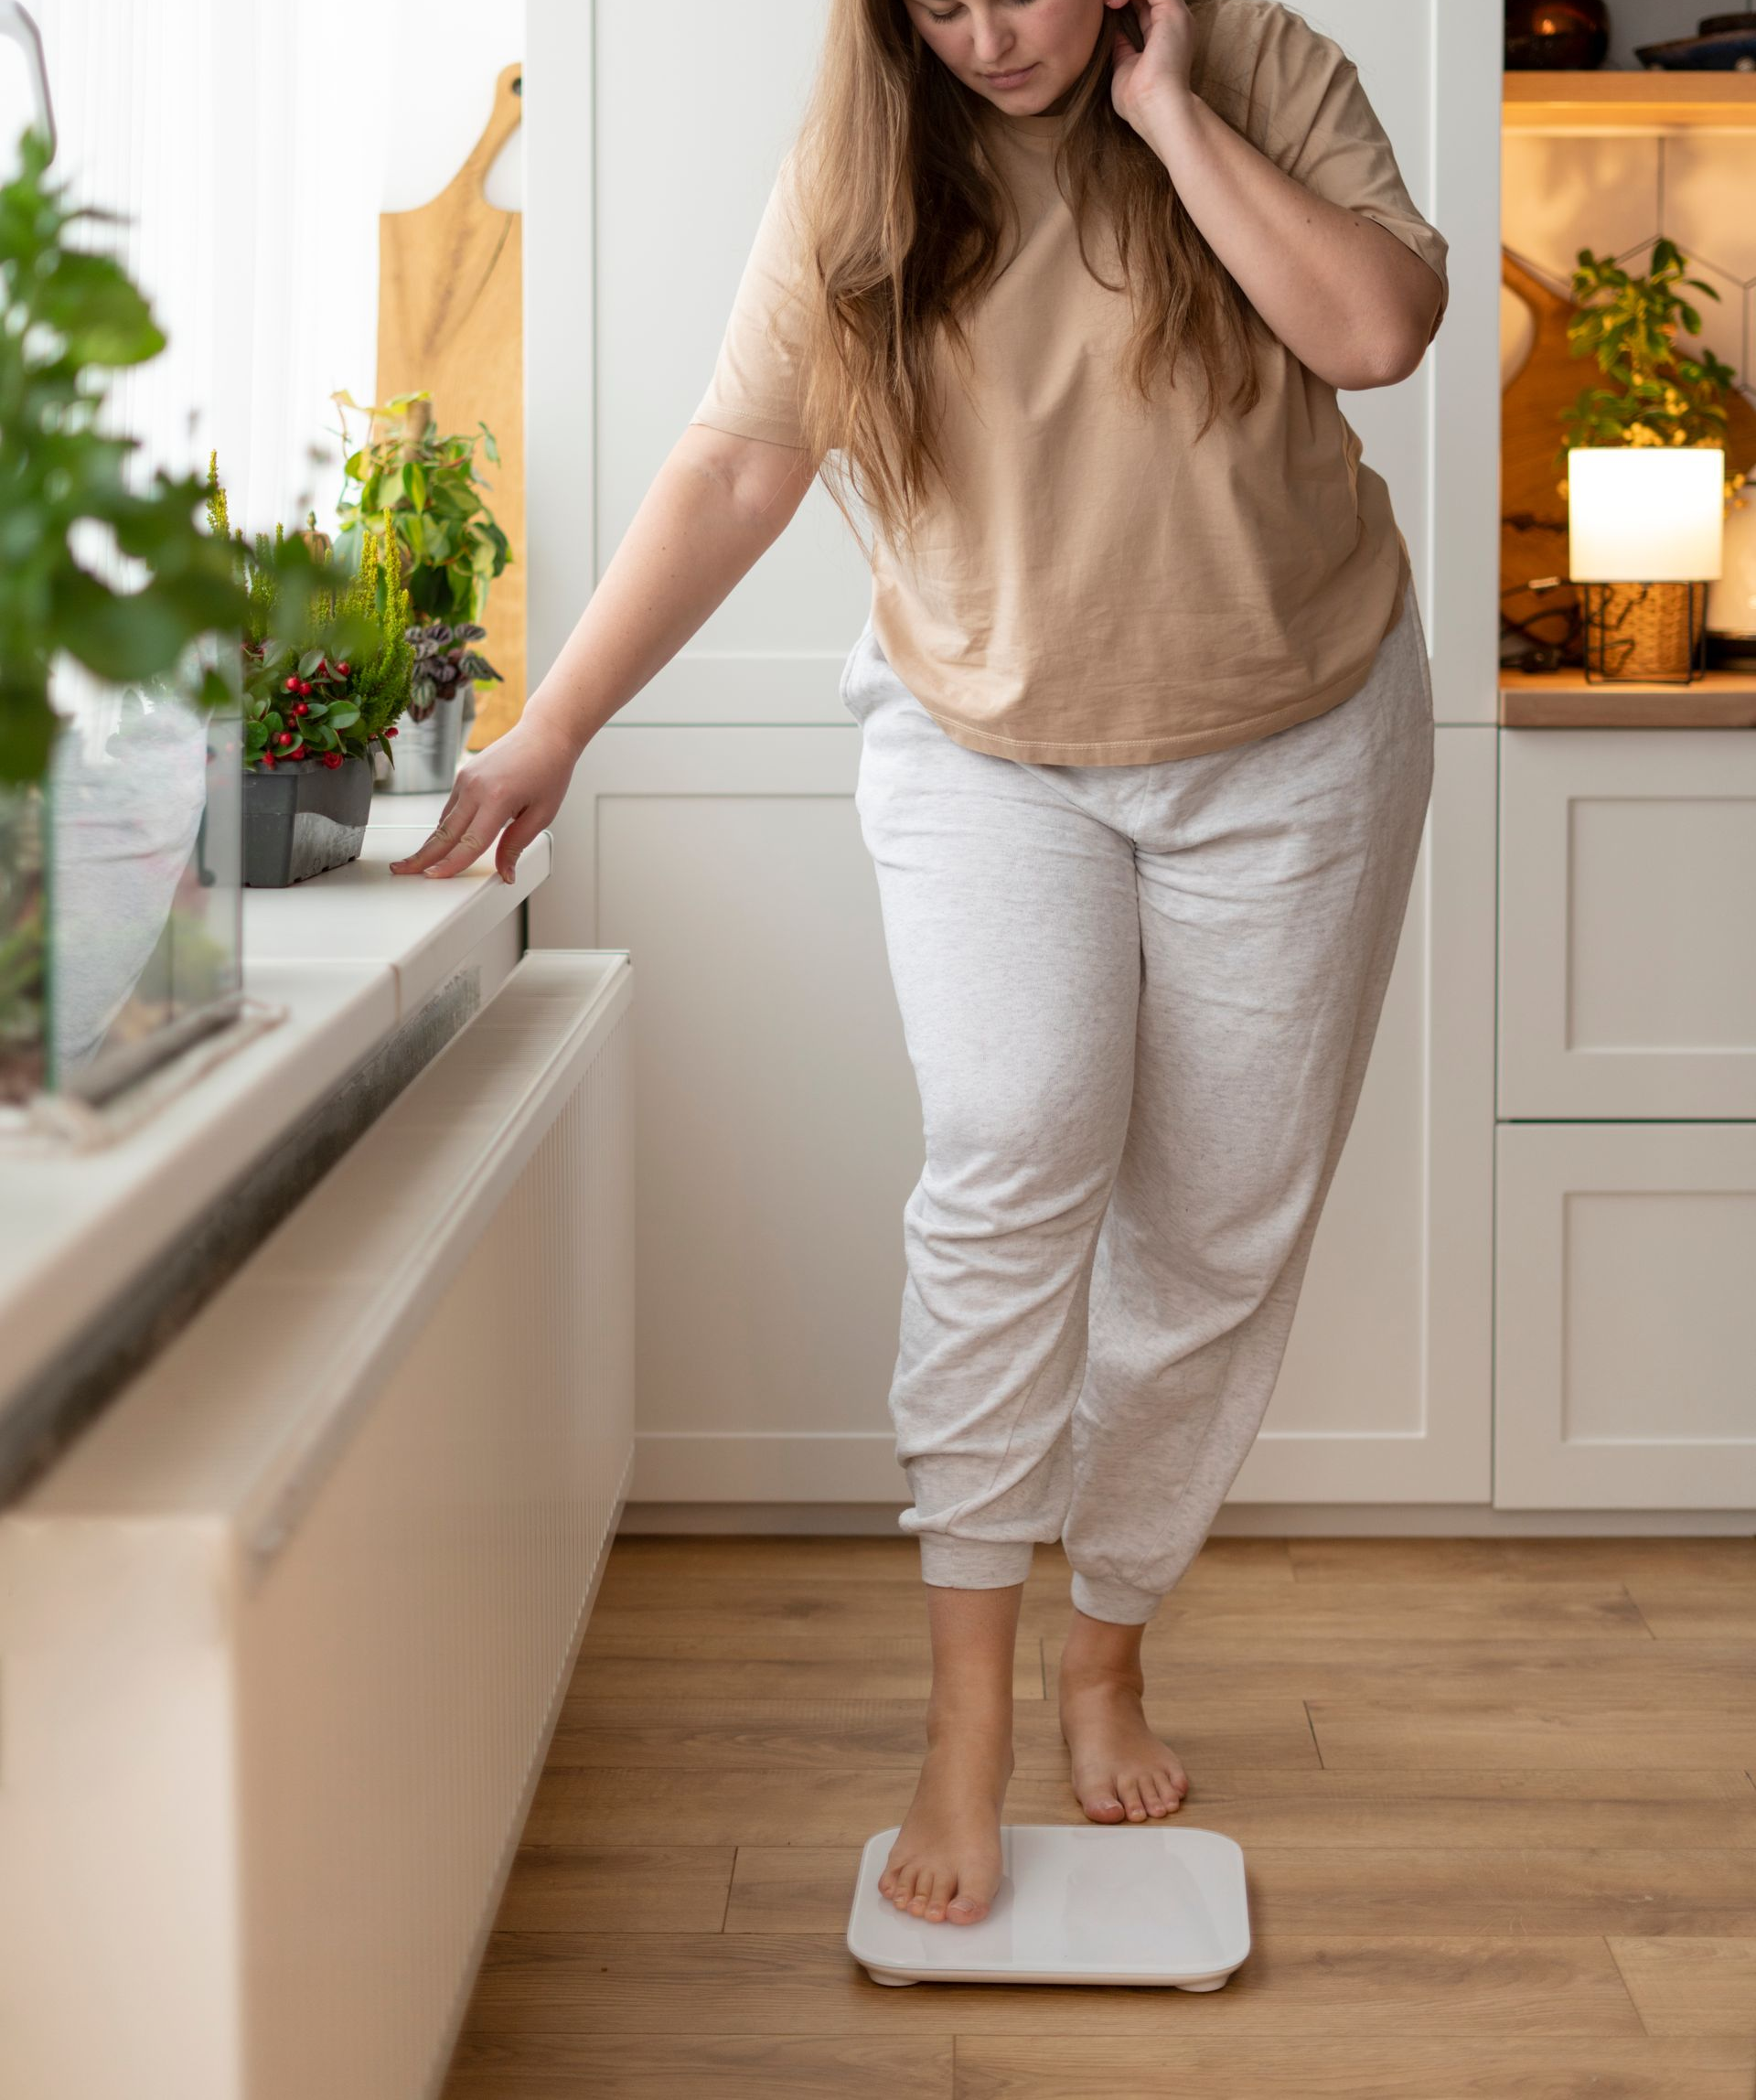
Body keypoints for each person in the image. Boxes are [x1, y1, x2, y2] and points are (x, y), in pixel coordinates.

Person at [391, 0, 1448, 1934]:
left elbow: (1377, 332)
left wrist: (1169, 114)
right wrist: (555, 724)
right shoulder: (868, 152)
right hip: (989, 735)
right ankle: (962, 1714)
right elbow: (737, 464)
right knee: (1011, 1137)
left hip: (1296, 730)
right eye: (935, 2)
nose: (988, 36)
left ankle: (1106, 1642)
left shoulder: (1259, 64)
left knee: (1216, 1227)